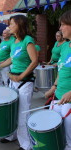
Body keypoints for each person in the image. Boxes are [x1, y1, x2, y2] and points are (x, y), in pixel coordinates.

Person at [0, 15, 38, 150]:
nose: (8, 27)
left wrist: (21, 76)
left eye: (11, 24)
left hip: (24, 82)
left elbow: (34, 62)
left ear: (19, 25)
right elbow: (11, 59)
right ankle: (12, 136)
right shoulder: (15, 41)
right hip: (13, 80)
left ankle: (27, 145)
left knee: (23, 113)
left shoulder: (28, 40)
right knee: (12, 110)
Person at [45, 10, 71, 150]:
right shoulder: (66, 46)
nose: (60, 28)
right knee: (56, 135)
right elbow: (61, 70)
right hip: (58, 97)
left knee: (69, 141)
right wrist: (53, 87)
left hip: (69, 101)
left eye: (63, 25)